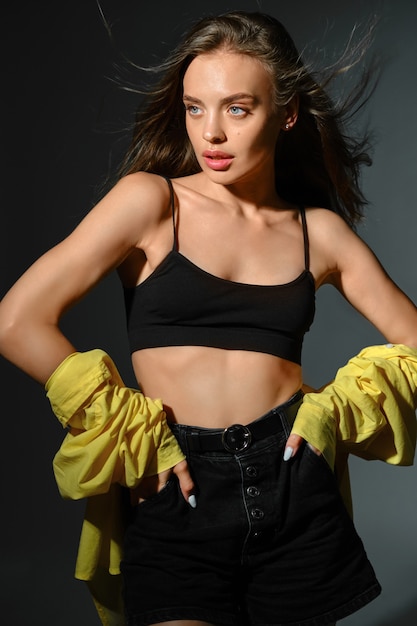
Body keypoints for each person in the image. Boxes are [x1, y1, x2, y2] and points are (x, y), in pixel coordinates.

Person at [1, 9, 417, 626]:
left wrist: (330, 413)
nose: (211, 133)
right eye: (195, 107)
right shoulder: (150, 201)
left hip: (293, 486)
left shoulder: (317, 234)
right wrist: (132, 427)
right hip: (176, 485)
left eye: (237, 108)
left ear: (288, 111)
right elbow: (17, 321)